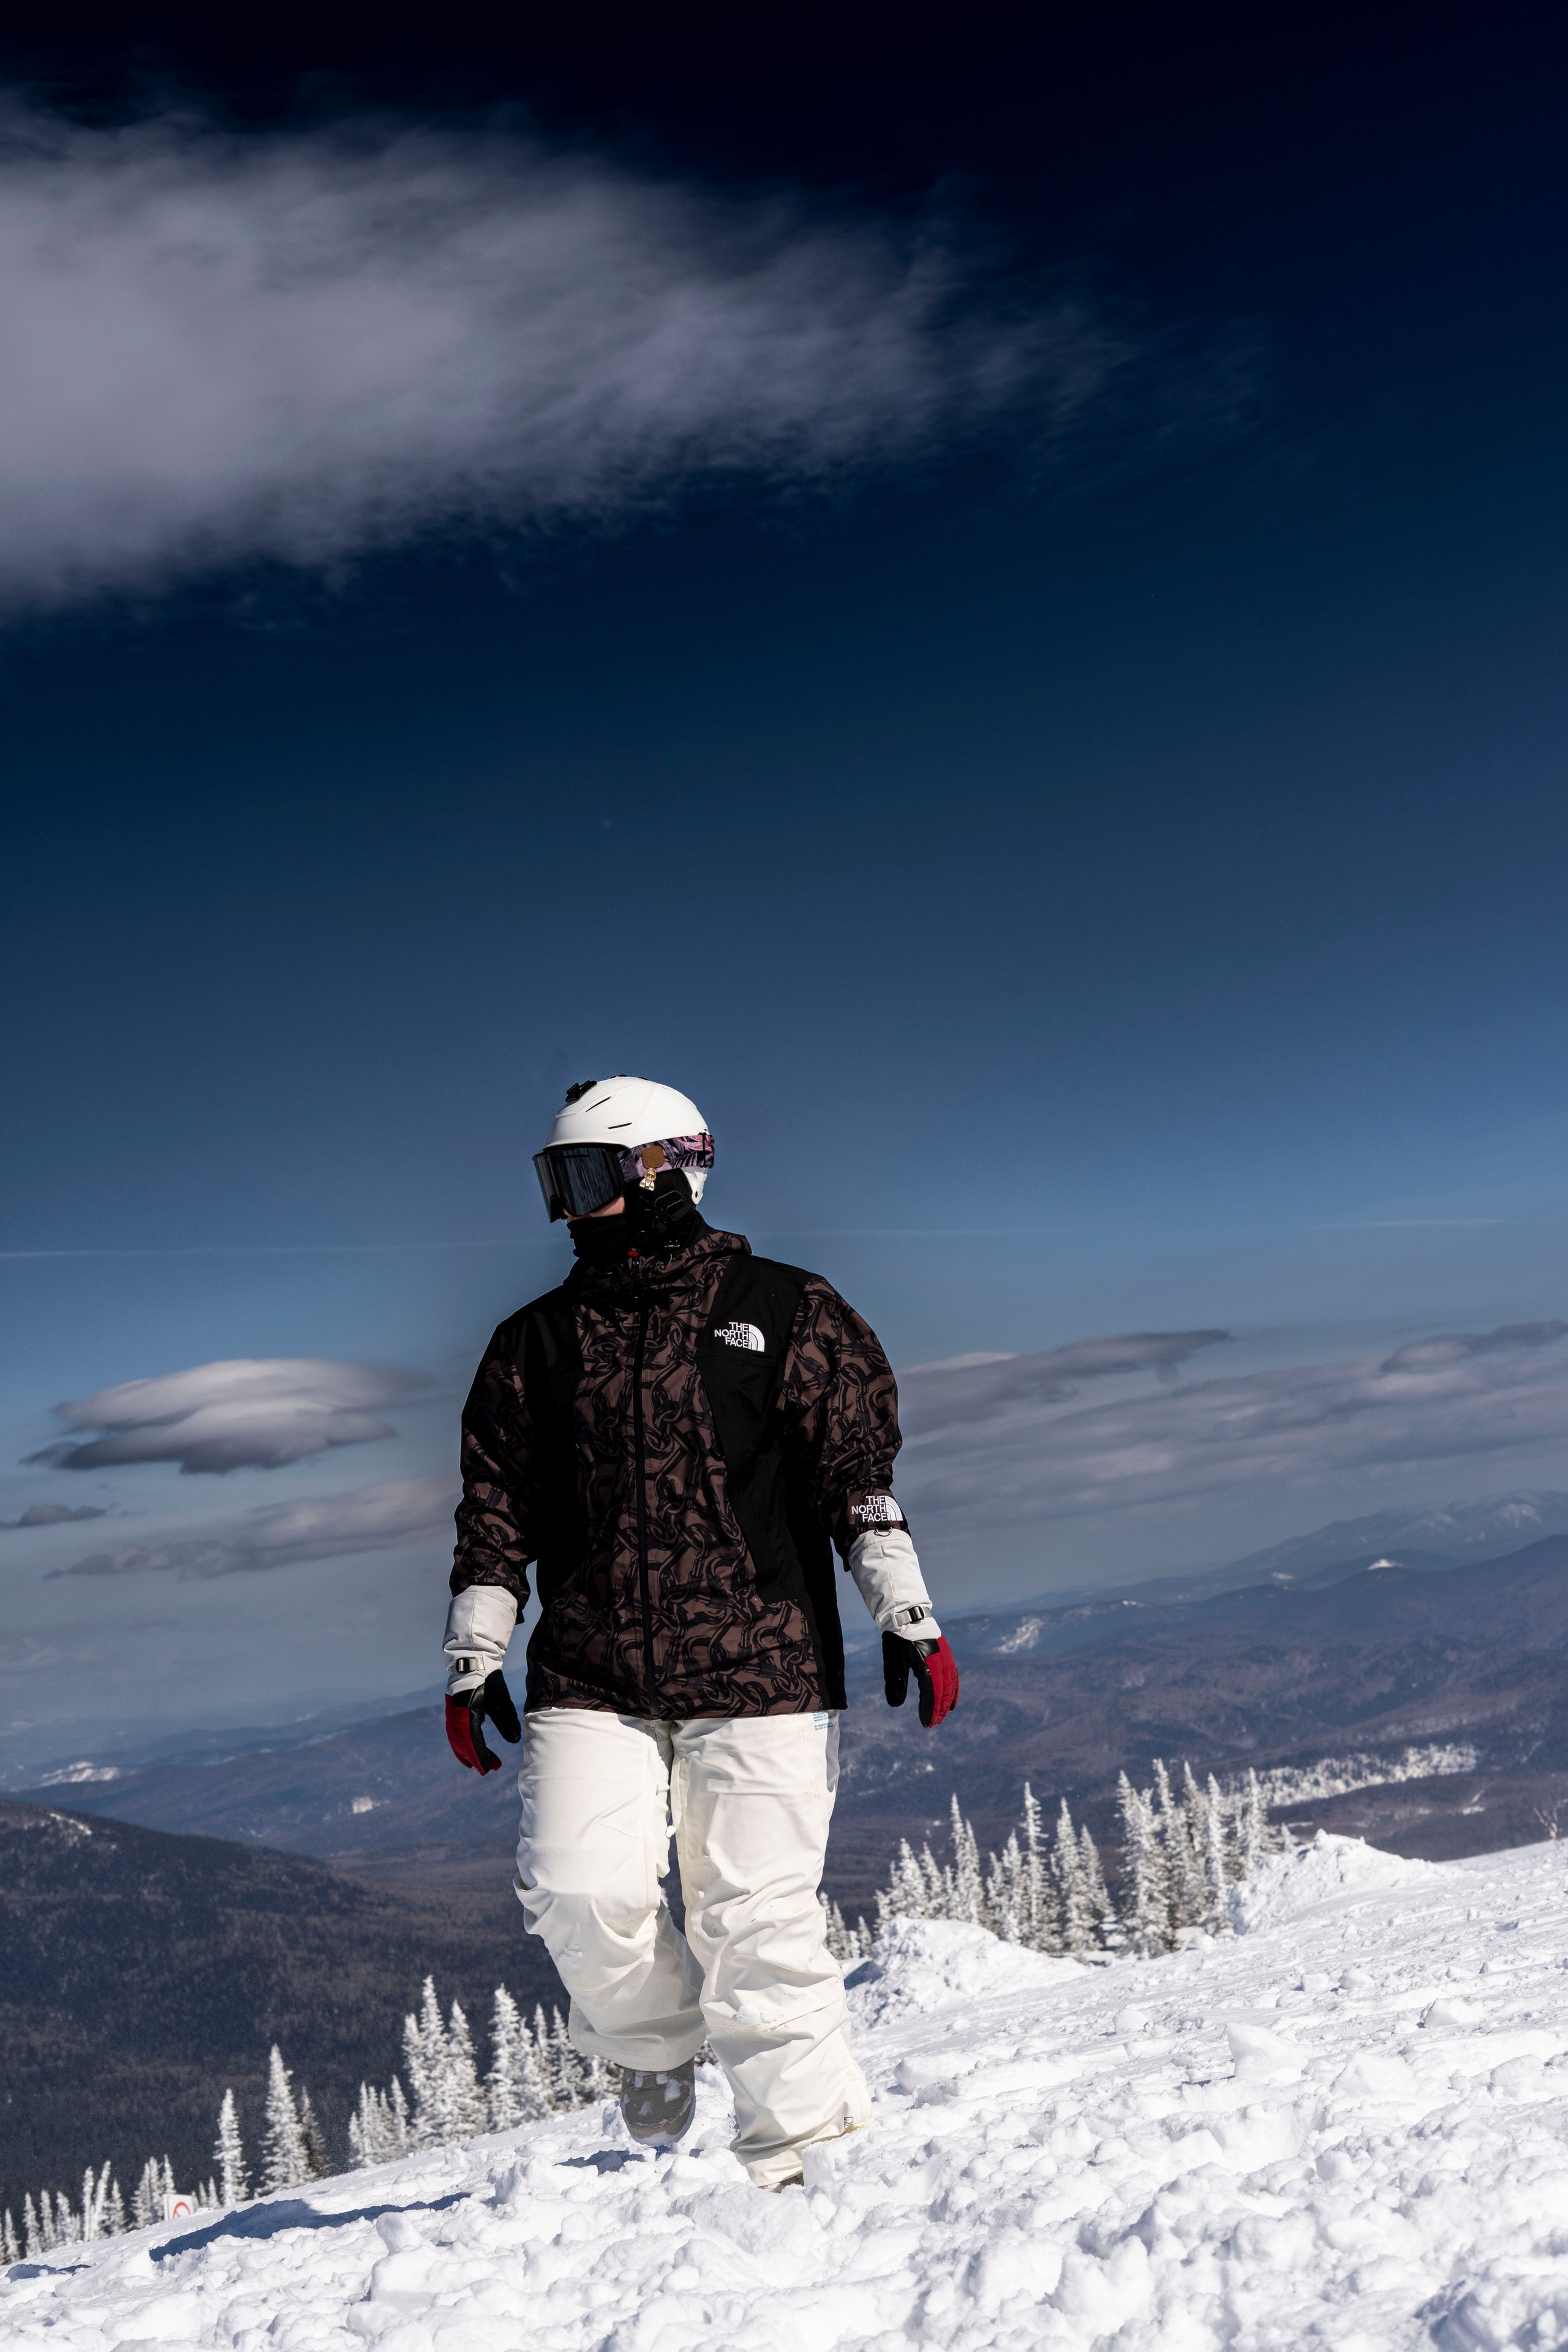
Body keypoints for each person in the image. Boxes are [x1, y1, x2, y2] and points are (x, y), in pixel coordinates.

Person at [440, 1074, 959, 2190]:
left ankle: (804, 2169)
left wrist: (904, 1610)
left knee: (757, 1929)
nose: (570, 1209)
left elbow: (855, 1481)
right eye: (555, 1184)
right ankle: (654, 2045)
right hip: (591, 1668)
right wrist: (476, 1647)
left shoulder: (786, 1308)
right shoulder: (533, 1343)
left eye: (587, 1179)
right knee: (578, 1889)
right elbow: (496, 1510)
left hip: (763, 1664)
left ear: (663, 1170)